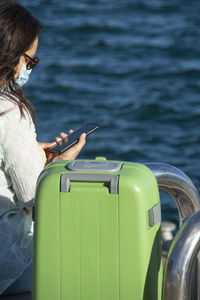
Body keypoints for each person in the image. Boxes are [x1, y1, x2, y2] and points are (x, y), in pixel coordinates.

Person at [0, 0, 86, 295]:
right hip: (8, 264)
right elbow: (34, 199)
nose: (30, 68)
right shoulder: (9, 113)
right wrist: (57, 163)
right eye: (30, 61)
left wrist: (31, 153)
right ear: (11, 56)